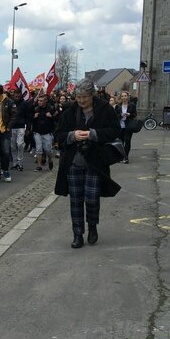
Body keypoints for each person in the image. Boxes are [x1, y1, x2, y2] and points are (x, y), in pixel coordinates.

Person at [54, 78, 121, 249]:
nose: (81, 100)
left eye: (84, 97)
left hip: (95, 161)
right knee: (76, 200)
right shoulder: (70, 111)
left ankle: (92, 226)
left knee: (91, 198)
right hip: (73, 162)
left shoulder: (105, 109)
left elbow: (115, 131)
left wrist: (93, 134)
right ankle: (77, 234)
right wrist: (72, 135)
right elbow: (58, 134)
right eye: (78, 97)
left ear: (92, 95)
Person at [31, 93, 57, 172]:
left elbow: (57, 119)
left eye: (41, 101)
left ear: (45, 101)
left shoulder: (51, 108)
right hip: (37, 132)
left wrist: (51, 116)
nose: (39, 102)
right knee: (38, 149)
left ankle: (49, 159)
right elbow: (30, 119)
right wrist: (34, 117)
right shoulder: (35, 109)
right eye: (38, 101)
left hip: (47, 132)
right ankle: (39, 166)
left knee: (47, 149)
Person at [116, 91, 137, 162]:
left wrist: (129, 114)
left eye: (125, 96)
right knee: (121, 142)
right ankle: (121, 156)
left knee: (127, 141)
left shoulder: (132, 105)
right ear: (120, 97)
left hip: (128, 126)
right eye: (122, 96)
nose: (124, 97)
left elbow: (135, 114)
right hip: (120, 126)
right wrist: (120, 115)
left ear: (128, 97)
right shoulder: (118, 106)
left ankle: (126, 157)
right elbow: (115, 116)